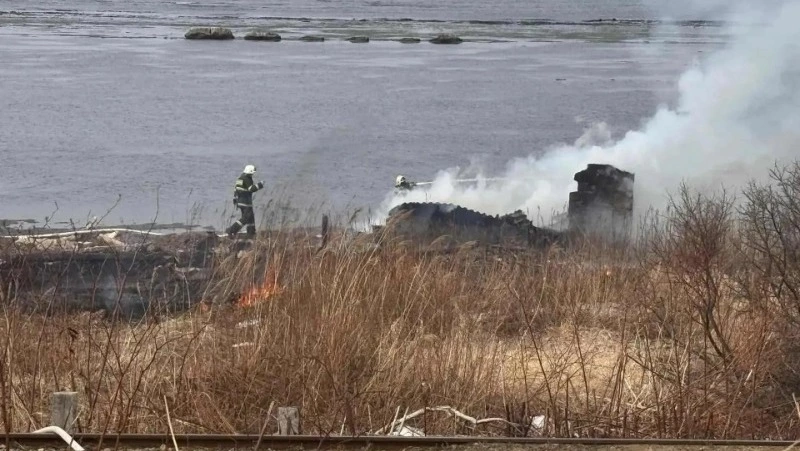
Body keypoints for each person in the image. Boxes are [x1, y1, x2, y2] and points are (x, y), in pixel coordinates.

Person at [226, 164, 264, 239]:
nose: (253, 174)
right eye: (252, 172)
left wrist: (235, 200)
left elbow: (236, 190)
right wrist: (259, 185)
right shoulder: (247, 179)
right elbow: (251, 189)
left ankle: (251, 232)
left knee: (250, 218)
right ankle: (231, 230)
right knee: (245, 218)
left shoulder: (240, 178)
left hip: (240, 202)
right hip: (246, 202)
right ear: (249, 172)